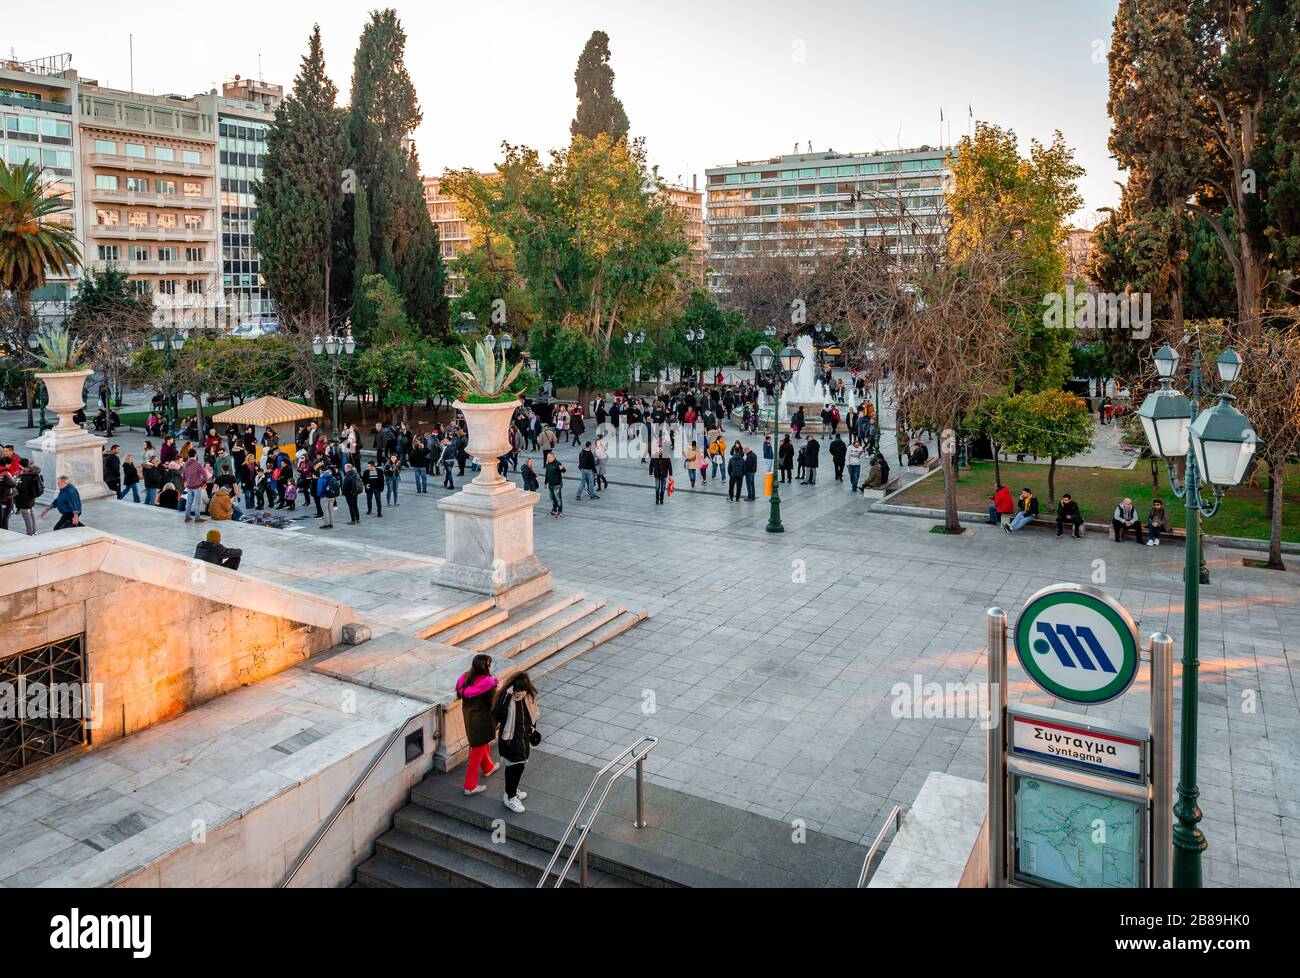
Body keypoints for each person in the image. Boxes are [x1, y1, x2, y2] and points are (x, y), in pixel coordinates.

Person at [493, 672, 540, 813]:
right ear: (512, 689)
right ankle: (510, 796)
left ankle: (512, 789)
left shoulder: (529, 698)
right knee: (514, 767)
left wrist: (533, 730)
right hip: (510, 740)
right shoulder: (507, 699)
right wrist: (507, 696)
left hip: (523, 739)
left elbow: (532, 716)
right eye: (517, 692)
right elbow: (498, 715)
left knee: (519, 766)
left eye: (522, 691)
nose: (519, 695)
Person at [456, 654, 500, 796]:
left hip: (470, 718)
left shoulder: (466, 678)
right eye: (490, 664)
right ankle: (470, 786)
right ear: (486, 666)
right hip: (483, 720)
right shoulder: (488, 684)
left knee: (480, 745)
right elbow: (494, 703)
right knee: (477, 751)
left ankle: (488, 767)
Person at [13, 460, 40, 535]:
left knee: (26, 515)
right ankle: (34, 531)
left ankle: (30, 533)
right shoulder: (33, 475)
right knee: (31, 514)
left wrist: (16, 484)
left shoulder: (25, 477)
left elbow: (22, 488)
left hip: (25, 499)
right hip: (31, 498)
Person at [182, 450, 207, 523]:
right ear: (195, 454)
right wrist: (203, 482)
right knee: (197, 502)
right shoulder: (197, 464)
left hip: (189, 485)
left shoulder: (185, 464)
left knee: (189, 502)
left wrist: (186, 481)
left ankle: (187, 516)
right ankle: (197, 517)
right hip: (196, 485)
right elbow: (204, 474)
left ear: (188, 455)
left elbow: (183, 475)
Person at [544, 451, 566, 517]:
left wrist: (562, 469)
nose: (548, 458)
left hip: (557, 485)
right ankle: (554, 510)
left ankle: (560, 511)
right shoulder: (548, 464)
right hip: (550, 484)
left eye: (549, 457)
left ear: (553, 457)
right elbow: (547, 474)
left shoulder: (558, 463)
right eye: (547, 457)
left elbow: (563, 470)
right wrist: (545, 483)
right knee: (553, 498)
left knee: (558, 498)